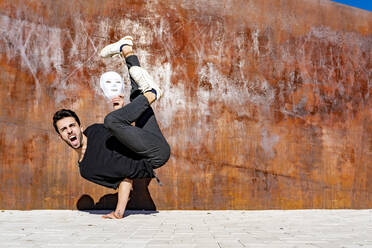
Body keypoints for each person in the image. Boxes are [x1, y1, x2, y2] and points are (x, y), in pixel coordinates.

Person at [52, 36, 170, 219]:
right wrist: (119, 213)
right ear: (61, 137)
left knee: (137, 93)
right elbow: (125, 178)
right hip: (155, 155)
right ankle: (152, 93)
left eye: (72, 126)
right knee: (123, 111)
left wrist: (119, 111)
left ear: (80, 127)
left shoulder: (93, 131)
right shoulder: (87, 170)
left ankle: (126, 49)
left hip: (146, 141)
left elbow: (124, 133)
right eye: (64, 130)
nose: (69, 131)